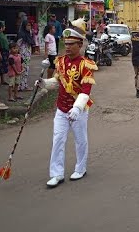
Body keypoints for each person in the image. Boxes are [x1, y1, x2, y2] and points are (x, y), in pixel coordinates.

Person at [36, 27, 95, 186]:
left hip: (79, 110)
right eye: (66, 43)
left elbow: (86, 89)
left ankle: (80, 168)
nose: (67, 47)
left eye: (71, 44)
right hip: (61, 108)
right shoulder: (61, 61)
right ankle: (56, 173)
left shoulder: (86, 64)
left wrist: (77, 108)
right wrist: (44, 83)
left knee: (80, 140)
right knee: (58, 140)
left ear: (80, 44)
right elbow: (57, 82)